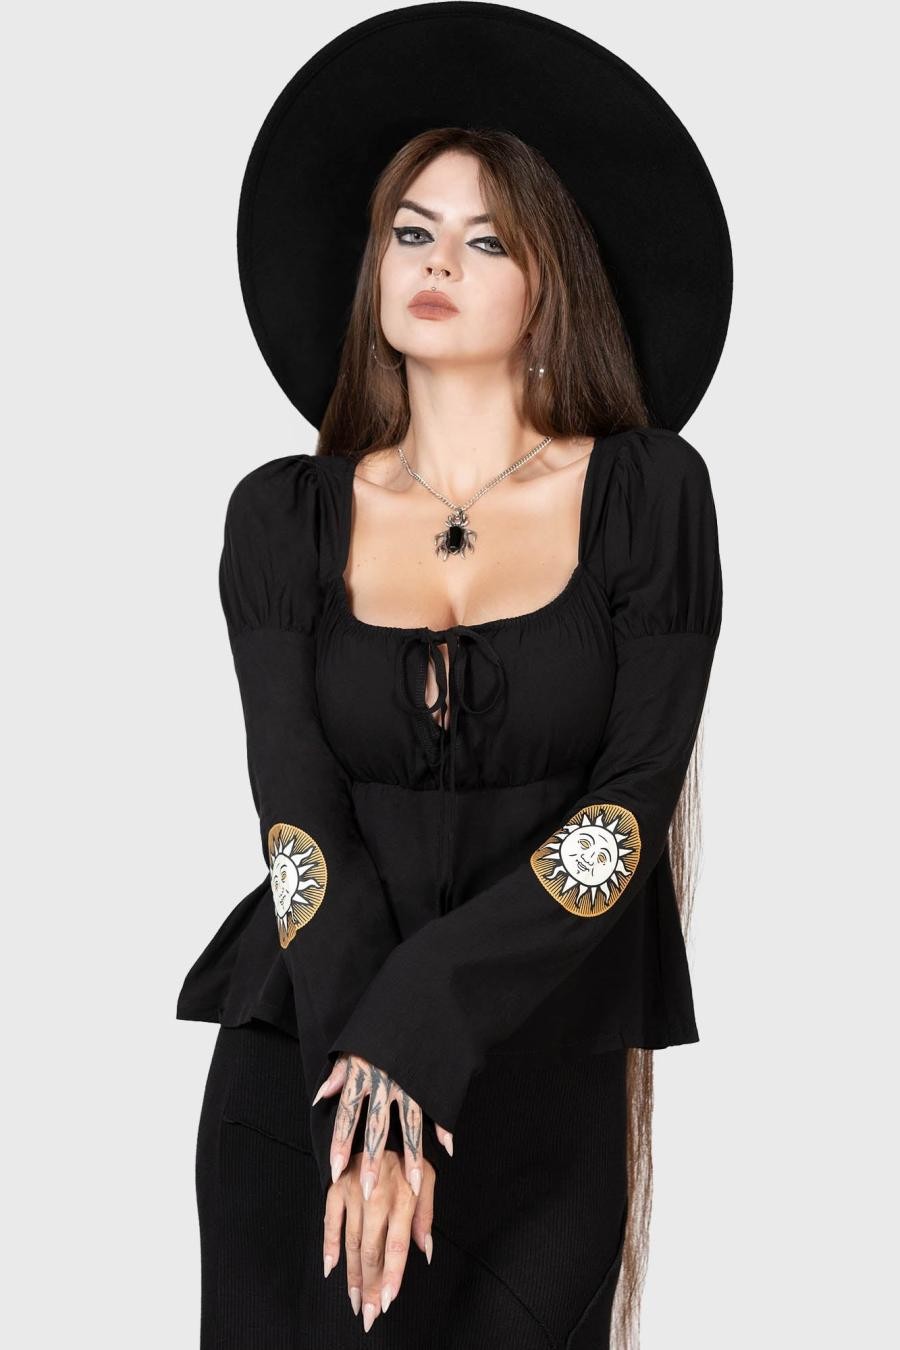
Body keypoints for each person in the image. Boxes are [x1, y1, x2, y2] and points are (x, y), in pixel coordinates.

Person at [176, 7, 731, 1347]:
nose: (438, 260)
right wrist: (366, 1086)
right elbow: (297, 820)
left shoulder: (647, 497)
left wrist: (416, 1033)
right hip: (306, 1070)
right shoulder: (283, 518)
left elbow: (624, 813)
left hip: (541, 1078)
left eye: (488, 240)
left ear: (552, 284)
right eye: (411, 230)